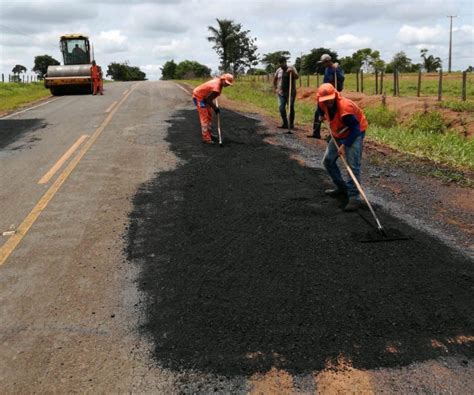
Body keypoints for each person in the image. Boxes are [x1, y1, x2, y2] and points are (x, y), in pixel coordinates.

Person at [315, 83, 368, 212]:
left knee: (352, 166)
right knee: (328, 161)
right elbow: (320, 109)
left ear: (336, 95)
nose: (328, 102)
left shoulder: (346, 108)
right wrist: (320, 115)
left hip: (354, 133)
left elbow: (355, 129)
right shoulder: (322, 102)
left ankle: (354, 197)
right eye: (325, 100)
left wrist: (345, 145)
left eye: (330, 99)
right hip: (337, 132)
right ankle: (342, 188)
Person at [192, 73, 234, 144]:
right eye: (226, 83)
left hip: (204, 97)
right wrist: (215, 108)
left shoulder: (219, 82)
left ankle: (209, 134)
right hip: (198, 96)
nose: (227, 85)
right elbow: (209, 100)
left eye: (228, 84)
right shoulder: (217, 86)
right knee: (204, 116)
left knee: (209, 115)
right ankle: (205, 138)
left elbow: (209, 98)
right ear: (222, 79)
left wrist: (214, 108)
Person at [273, 57, 299, 131]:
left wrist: (292, 72)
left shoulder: (291, 68)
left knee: (290, 108)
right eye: (280, 63)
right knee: (281, 108)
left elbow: (297, 77)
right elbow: (275, 79)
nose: (281, 64)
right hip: (281, 93)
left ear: (285, 62)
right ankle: (285, 123)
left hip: (291, 92)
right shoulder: (279, 70)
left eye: (282, 63)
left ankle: (291, 124)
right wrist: (276, 88)